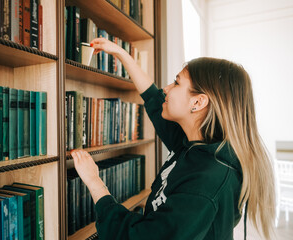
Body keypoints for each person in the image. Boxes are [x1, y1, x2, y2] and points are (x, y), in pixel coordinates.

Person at [71, 38, 276, 240]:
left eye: (176, 82)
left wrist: (94, 182)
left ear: (198, 101)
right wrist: (121, 54)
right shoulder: (192, 144)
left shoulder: (207, 180)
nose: (166, 89)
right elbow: (153, 97)